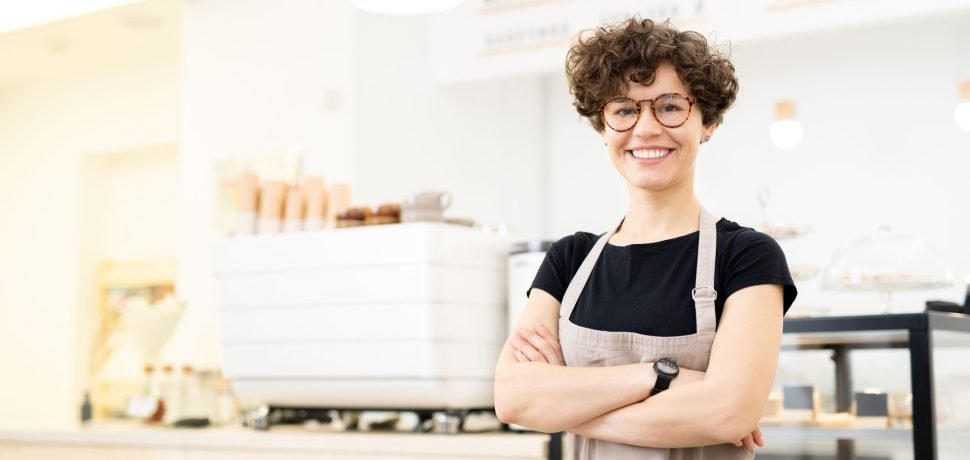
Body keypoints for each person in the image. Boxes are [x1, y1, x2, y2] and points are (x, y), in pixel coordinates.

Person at [493, 17, 797, 459]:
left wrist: (563, 408)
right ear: (602, 127)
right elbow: (512, 398)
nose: (646, 128)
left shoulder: (747, 257)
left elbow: (727, 413)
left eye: (670, 107)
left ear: (708, 123)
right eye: (623, 109)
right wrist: (658, 375)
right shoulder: (569, 259)